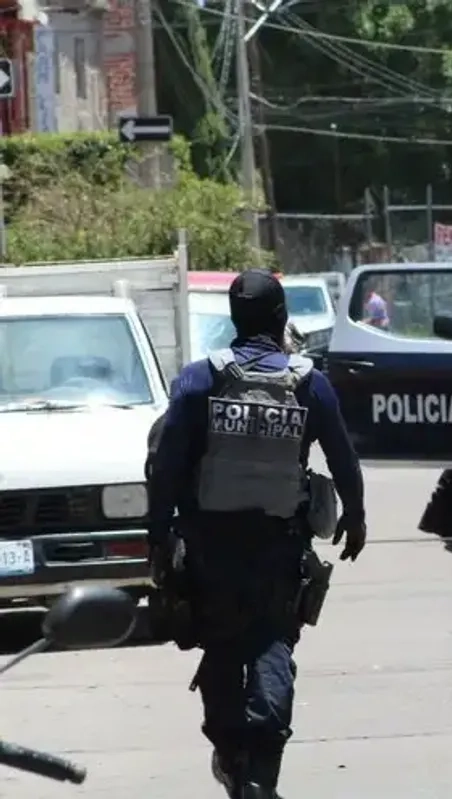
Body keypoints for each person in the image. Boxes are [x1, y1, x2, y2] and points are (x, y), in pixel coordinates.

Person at [147, 268, 367, 799]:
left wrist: (159, 535)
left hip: (209, 547)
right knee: (272, 644)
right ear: (281, 317)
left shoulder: (200, 380)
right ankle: (259, 772)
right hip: (277, 547)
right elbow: (343, 457)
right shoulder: (309, 383)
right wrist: (355, 518)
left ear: (232, 319)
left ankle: (230, 754)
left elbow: (166, 463)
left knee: (221, 645)